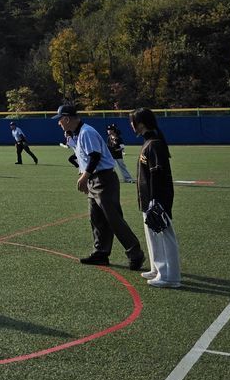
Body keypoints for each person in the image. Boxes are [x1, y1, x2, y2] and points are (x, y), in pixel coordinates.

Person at [52, 104, 144, 270]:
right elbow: (84, 157)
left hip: (103, 179)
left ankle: (135, 253)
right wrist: (85, 177)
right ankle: (101, 253)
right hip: (95, 180)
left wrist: (84, 177)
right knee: (97, 218)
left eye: (60, 120)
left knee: (113, 218)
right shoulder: (79, 133)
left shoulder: (86, 132)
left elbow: (95, 156)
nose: (58, 123)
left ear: (66, 119)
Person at [130, 108, 181, 288]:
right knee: (152, 235)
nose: (131, 126)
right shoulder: (149, 142)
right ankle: (158, 269)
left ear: (141, 124)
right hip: (149, 199)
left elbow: (157, 174)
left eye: (133, 122)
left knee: (164, 235)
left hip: (157, 199)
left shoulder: (154, 144)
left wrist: (155, 200)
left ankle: (171, 277)